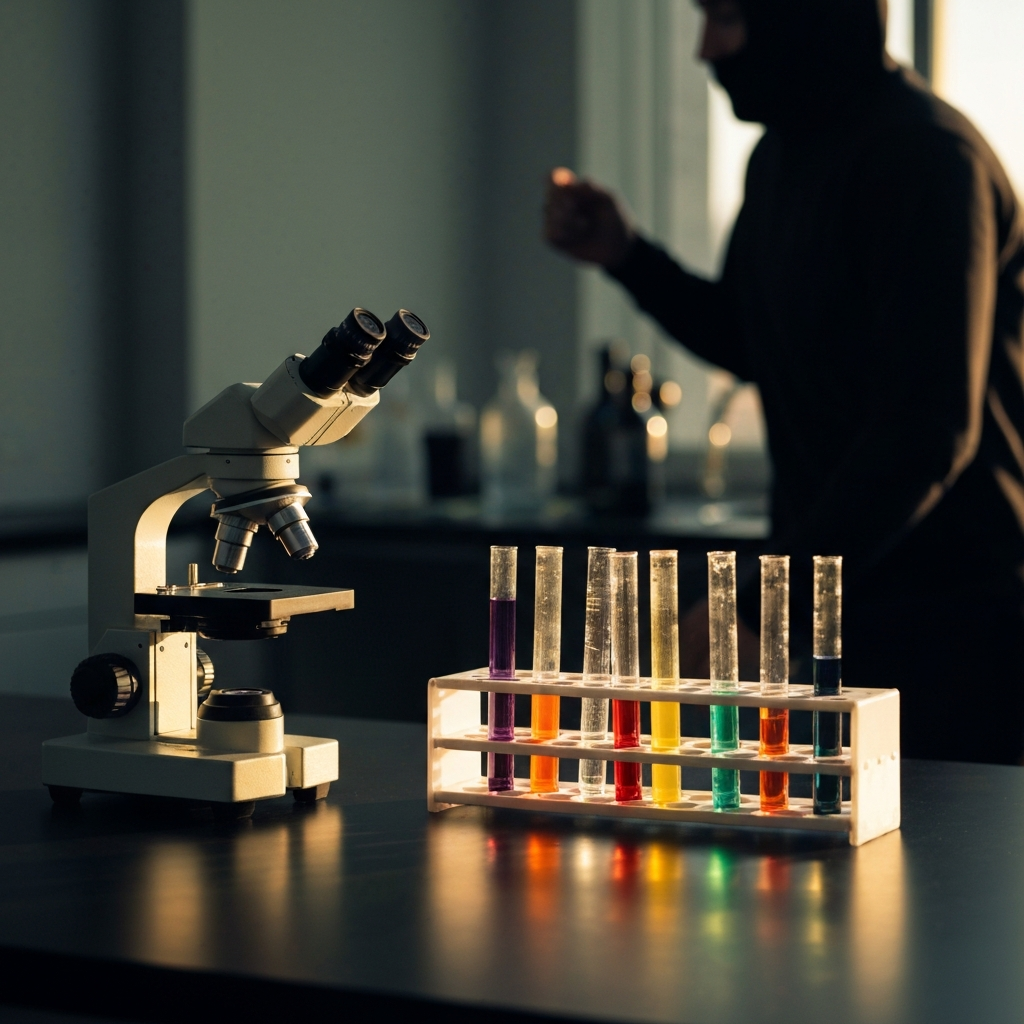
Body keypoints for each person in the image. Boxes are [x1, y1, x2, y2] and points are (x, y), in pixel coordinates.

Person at [545, 0, 1024, 764]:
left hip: (955, 624)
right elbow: (754, 339)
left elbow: (927, 429)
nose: (706, 50)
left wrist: (767, 604)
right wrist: (629, 255)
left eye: (729, 17)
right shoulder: (781, 160)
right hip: (848, 606)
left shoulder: (927, 157)